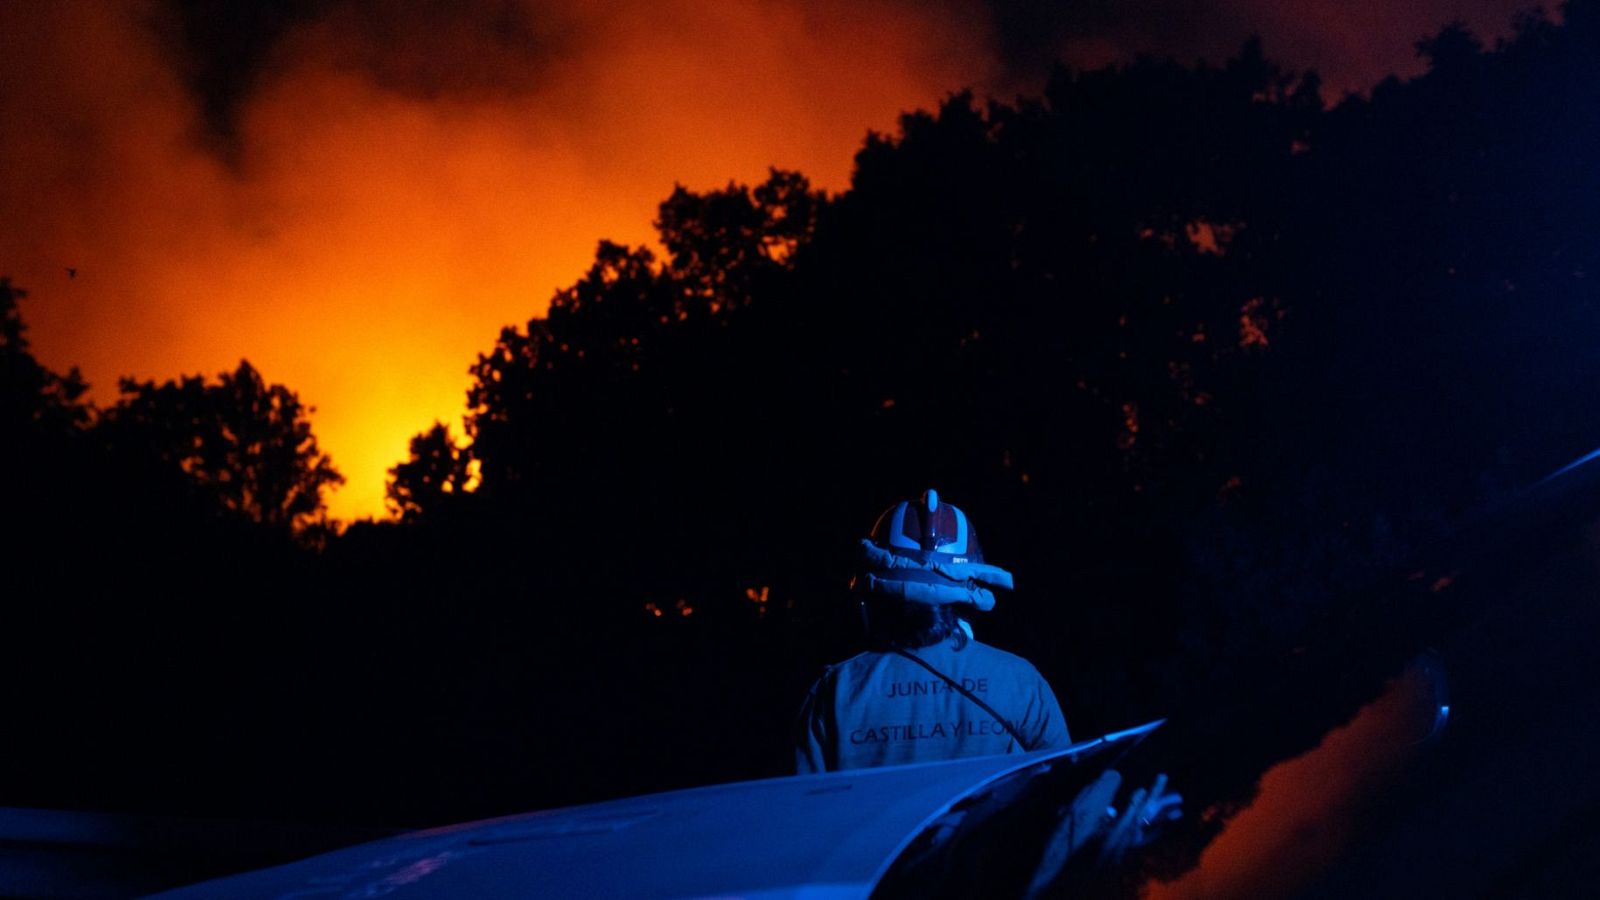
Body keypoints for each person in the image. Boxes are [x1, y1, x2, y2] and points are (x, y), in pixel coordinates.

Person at [795, 489, 1072, 773]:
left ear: (871, 595)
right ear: (970, 588)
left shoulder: (836, 690)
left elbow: (805, 808)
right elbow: (1068, 793)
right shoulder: (1020, 680)